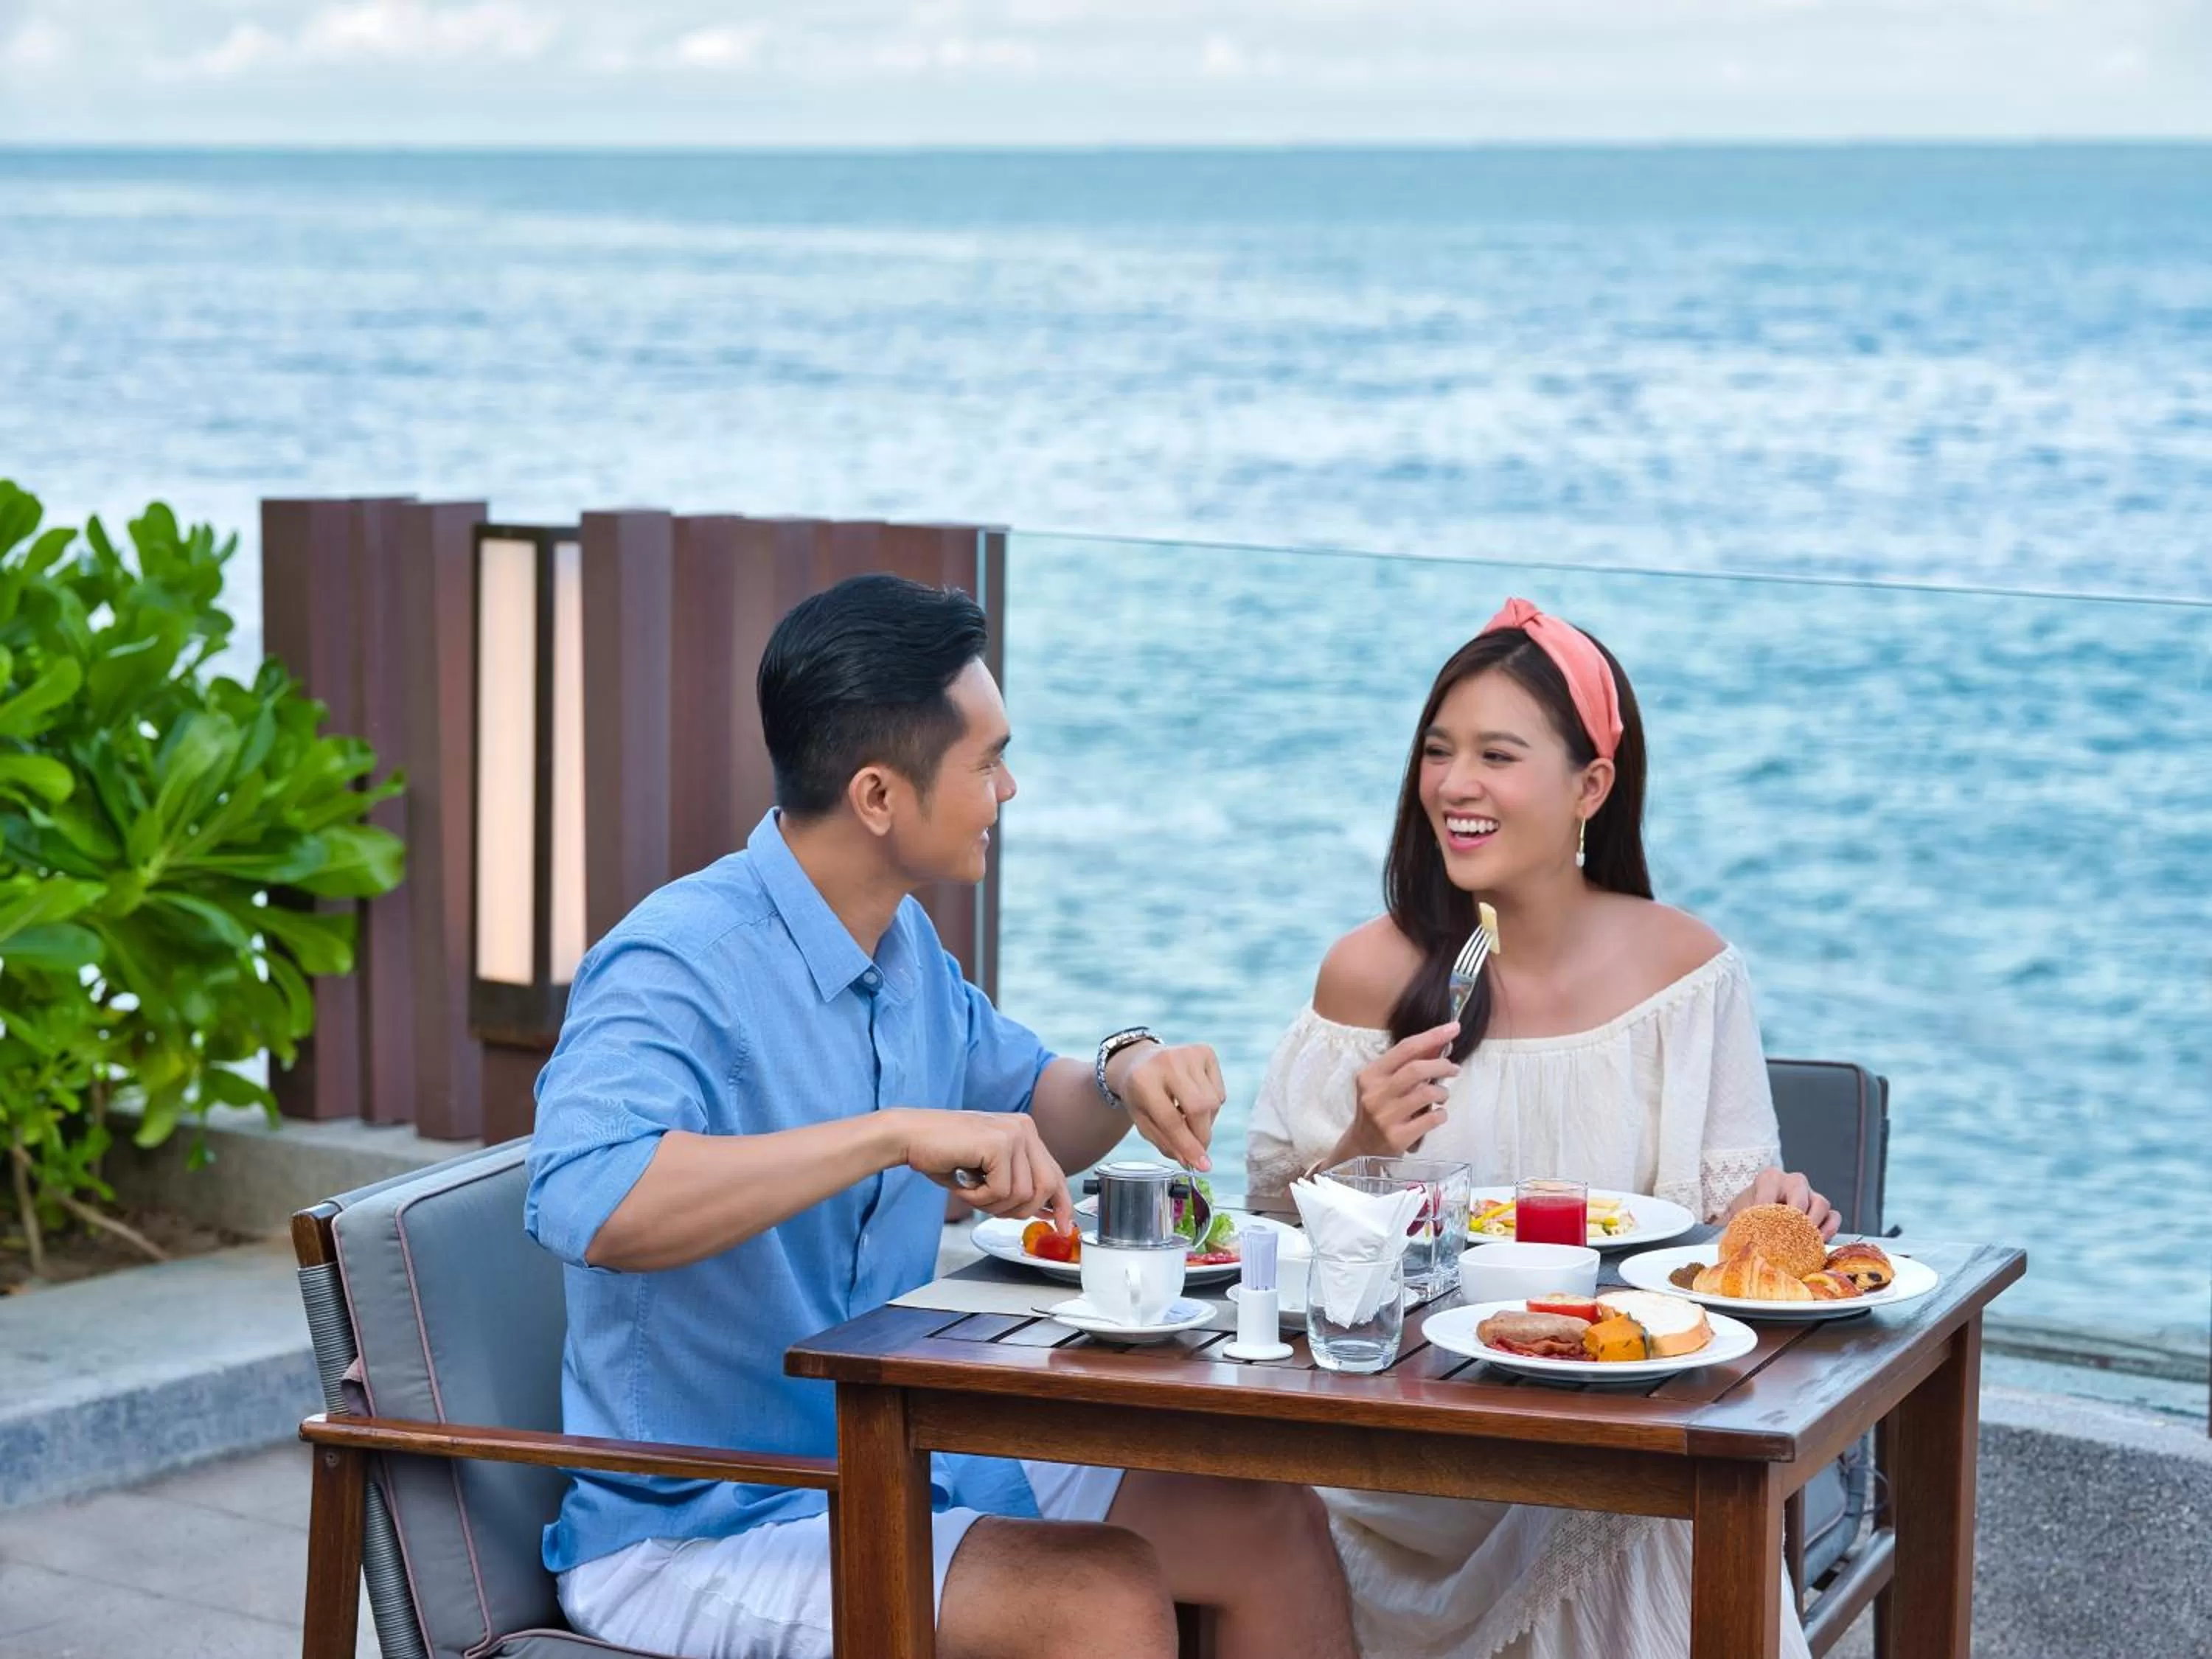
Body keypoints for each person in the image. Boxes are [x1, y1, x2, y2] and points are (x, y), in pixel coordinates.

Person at [526, 573, 1356, 1659]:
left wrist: (1122, 1070)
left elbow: (1030, 1109)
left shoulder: (903, 945)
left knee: (1268, 1524)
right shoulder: (674, 963)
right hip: (703, 1527)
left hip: (901, 1458)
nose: (1009, 788)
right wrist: (890, 1134)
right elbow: (587, 1200)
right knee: (1095, 1596)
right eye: (988, 760)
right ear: (878, 796)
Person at [1245, 597, 1831, 1659]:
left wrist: (1774, 1215)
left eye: (1497, 755)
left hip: (1601, 1430)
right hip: (1397, 1451)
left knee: (1653, 1510)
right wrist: (1358, 1148)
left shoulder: (1686, 975)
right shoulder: (1365, 972)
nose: (1455, 785)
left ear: (1589, 788)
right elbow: (1268, 1256)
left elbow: (1731, 1235)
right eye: (1439, 751)